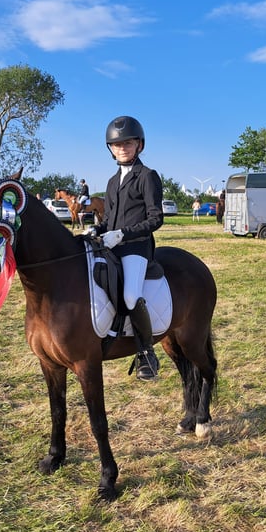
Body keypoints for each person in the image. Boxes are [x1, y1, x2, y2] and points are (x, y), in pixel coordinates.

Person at [89, 116, 164, 381]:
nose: (123, 148)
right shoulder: (111, 182)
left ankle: (146, 353)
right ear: (110, 148)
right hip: (111, 246)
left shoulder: (147, 176)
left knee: (131, 295)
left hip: (136, 247)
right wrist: (96, 230)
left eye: (128, 143)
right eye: (117, 144)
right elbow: (108, 219)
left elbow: (156, 218)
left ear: (139, 145)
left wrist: (122, 234)